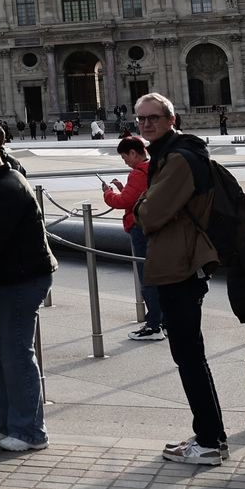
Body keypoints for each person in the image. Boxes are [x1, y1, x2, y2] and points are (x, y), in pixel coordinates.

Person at [132, 91, 230, 466]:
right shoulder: (174, 154)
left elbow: (150, 214)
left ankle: (207, 443)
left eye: (153, 117)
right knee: (191, 355)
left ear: (171, 119)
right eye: (141, 119)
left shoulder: (177, 159)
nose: (146, 124)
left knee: (188, 356)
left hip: (180, 263)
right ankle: (211, 436)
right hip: (182, 260)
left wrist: (143, 203)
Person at [0, 132, 57, 452]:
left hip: (20, 279)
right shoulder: (7, 180)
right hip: (18, 277)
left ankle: (30, 430)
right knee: (7, 353)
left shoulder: (3, 191)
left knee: (17, 354)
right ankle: (5, 421)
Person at [102, 136, 162, 341]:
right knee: (157, 275)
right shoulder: (155, 167)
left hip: (139, 228)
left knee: (147, 278)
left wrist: (108, 193)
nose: (125, 161)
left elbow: (124, 202)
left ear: (134, 153)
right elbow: (136, 196)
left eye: (125, 156)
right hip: (154, 226)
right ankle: (162, 320)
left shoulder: (138, 173)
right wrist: (122, 187)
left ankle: (154, 325)